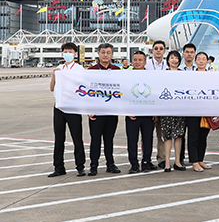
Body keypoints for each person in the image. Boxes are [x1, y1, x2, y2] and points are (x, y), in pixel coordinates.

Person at [48, 42, 86, 177]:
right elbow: (52, 88)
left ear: (75, 54)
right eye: (65, 51)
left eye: (70, 52)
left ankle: (80, 166)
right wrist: (53, 75)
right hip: (59, 107)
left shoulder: (79, 69)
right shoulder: (59, 68)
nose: (67, 54)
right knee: (59, 138)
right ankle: (59, 167)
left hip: (73, 107)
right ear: (62, 54)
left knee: (77, 137)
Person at [86, 43, 121, 176]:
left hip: (111, 111)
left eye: (108, 52)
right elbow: (86, 92)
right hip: (96, 112)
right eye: (103, 52)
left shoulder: (117, 70)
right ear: (98, 54)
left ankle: (110, 164)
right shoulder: (91, 70)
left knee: (109, 139)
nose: (105, 55)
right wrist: (88, 110)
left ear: (112, 55)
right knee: (95, 139)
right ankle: (93, 165)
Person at [125, 51, 157, 173]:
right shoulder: (126, 76)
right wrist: (127, 111)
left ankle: (146, 161)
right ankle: (134, 163)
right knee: (132, 140)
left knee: (148, 139)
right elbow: (123, 94)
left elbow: (154, 94)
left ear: (145, 62)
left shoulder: (150, 76)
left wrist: (155, 112)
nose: (137, 62)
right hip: (132, 115)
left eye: (140, 60)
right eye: (135, 60)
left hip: (147, 114)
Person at [161, 50, 186, 172]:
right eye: (172, 58)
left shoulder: (183, 74)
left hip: (180, 109)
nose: (174, 60)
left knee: (179, 135)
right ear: (168, 60)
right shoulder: (163, 74)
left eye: (176, 58)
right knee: (167, 136)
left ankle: (177, 161)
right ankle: (167, 162)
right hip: (166, 109)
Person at [188, 51, 212, 171]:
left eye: (203, 59)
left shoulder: (212, 76)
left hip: (206, 111)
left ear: (207, 61)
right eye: (199, 59)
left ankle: (200, 159)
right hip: (193, 110)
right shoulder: (190, 76)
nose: (201, 61)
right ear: (195, 61)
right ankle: (194, 161)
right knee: (193, 136)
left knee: (203, 137)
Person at [145, 40, 168, 169]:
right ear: (152, 50)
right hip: (149, 103)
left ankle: (162, 158)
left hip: (163, 104)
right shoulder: (147, 64)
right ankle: (146, 159)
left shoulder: (168, 64)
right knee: (147, 135)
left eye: (161, 48)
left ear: (164, 51)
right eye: (156, 48)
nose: (158, 50)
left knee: (162, 134)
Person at [177, 42, 197, 167]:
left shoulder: (200, 69)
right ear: (183, 54)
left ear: (194, 54)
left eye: (192, 52)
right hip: (180, 107)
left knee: (193, 135)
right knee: (180, 134)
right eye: (187, 52)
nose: (189, 54)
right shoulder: (177, 69)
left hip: (195, 107)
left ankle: (194, 159)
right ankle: (180, 159)